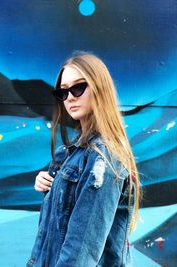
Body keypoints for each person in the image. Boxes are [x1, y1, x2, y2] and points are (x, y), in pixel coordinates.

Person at [26, 52, 140, 267]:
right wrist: (51, 184)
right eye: (63, 91)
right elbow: (55, 234)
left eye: (78, 87)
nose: (70, 97)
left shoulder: (103, 156)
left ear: (99, 88)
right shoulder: (71, 152)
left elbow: (81, 251)